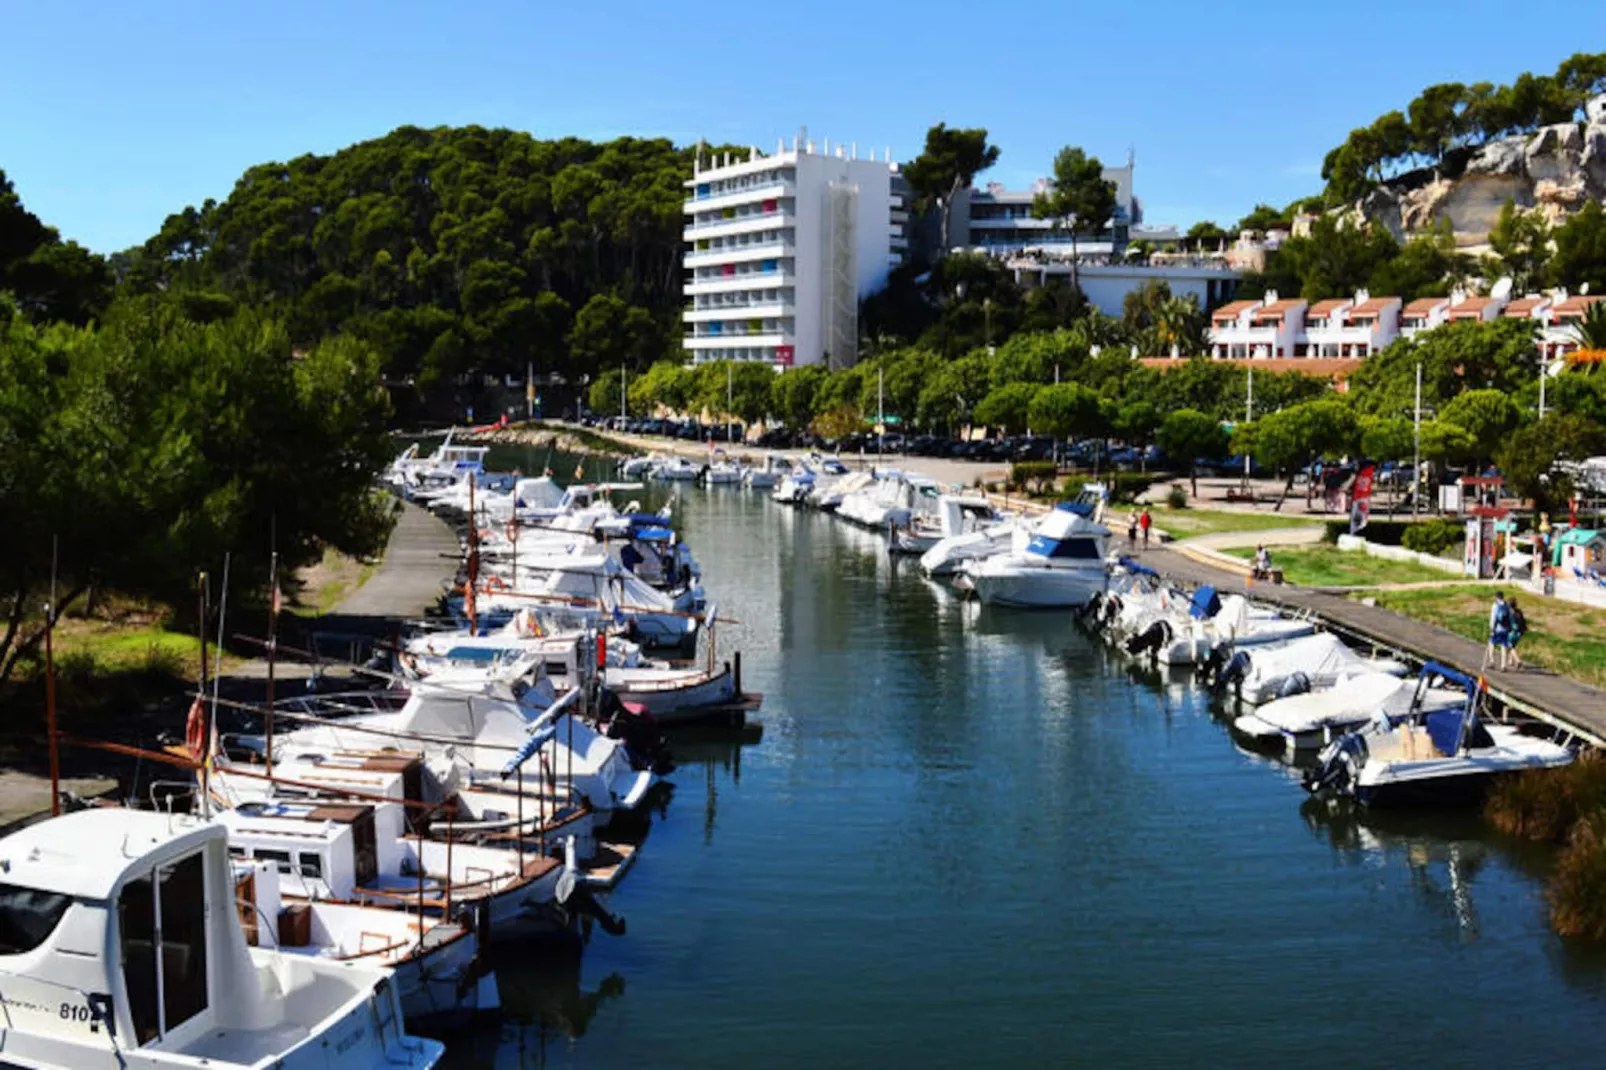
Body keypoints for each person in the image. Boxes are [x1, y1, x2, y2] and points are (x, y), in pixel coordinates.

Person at [1488, 591, 1512, 670]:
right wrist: (1509, 627)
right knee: (1504, 646)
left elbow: (1493, 617)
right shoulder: (1507, 605)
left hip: (1497, 629)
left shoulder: (1495, 605)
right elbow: (1510, 617)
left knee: (1491, 644)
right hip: (1505, 629)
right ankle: (1503, 665)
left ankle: (1492, 662)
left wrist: (1491, 628)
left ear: (1497, 597)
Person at [1507, 596, 1527, 670]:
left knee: (1510, 646)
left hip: (1512, 632)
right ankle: (1510, 661)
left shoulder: (1509, 613)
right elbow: (1523, 621)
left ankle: (1518, 660)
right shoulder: (1519, 612)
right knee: (1513, 646)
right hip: (1519, 633)